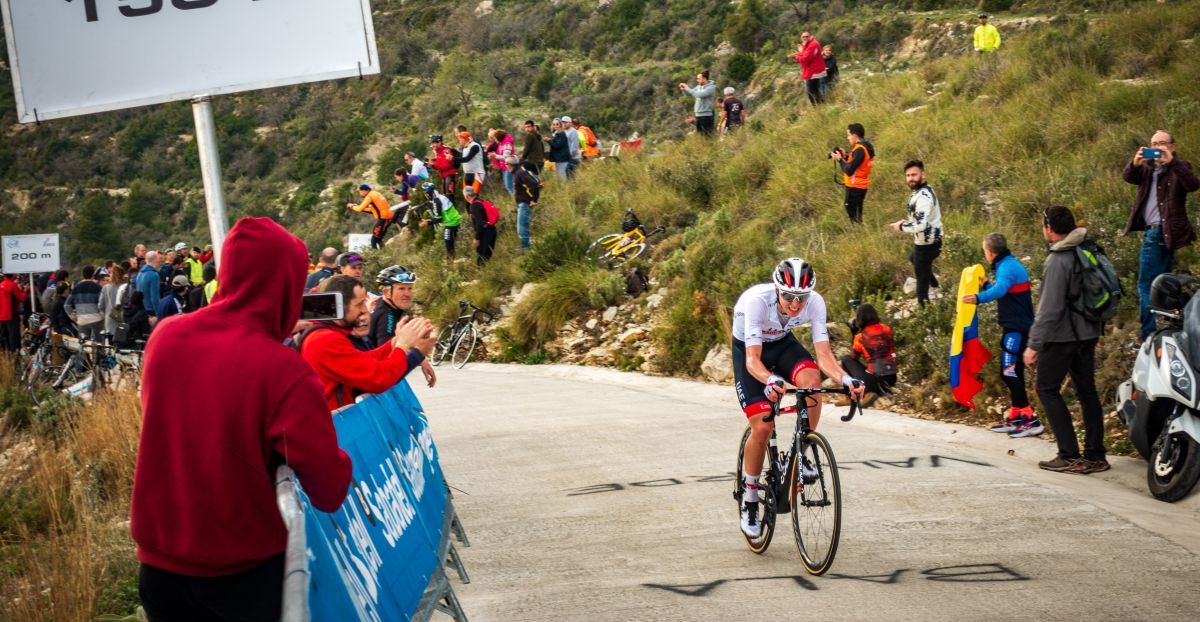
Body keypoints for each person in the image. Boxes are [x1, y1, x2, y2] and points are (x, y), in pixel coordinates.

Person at [131, 217, 352, 621]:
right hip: (243, 575)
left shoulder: (166, 336)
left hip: (159, 569)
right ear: (286, 286)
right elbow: (329, 488)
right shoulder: (285, 370)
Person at [732, 258, 865, 538]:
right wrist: (770, 379)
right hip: (750, 349)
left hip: (781, 343)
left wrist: (846, 379)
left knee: (812, 383)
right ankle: (751, 498)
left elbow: (824, 356)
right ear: (777, 289)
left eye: (801, 297)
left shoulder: (815, 303)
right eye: (790, 296)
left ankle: (802, 449)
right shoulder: (757, 302)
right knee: (764, 426)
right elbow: (753, 361)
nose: (795, 304)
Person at [1023, 206, 1108, 474]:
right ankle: (1095, 455)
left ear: (1049, 228)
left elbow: (1049, 310)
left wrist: (1033, 345)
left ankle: (1069, 454)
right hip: (1089, 333)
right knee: (1087, 392)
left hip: (1063, 338)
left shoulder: (1058, 260)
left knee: (1046, 389)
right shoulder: (1087, 248)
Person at [300, 274, 437, 409]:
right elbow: (380, 378)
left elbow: (364, 360)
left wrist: (396, 341)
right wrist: (408, 348)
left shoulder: (323, 334)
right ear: (338, 306)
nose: (365, 310)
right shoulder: (325, 340)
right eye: (360, 304)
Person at [961, 233, 1042, 438]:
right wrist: (987, 284)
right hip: (1016, 326)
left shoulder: (1006, 266)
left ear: (989, 252)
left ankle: (1029, 419)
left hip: (1016, 329)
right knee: (1011, 372)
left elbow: (1002, 289)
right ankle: (1017, 415)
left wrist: (978, 298)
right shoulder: (1008, 264)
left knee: (1009, 372)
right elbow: (1004, 291)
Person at [1122, 130, 1199, 343]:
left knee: (1147, 284)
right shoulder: (1147, 169)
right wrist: (1135, 162)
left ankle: (1147, 333)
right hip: (1158, 233)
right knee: (1161, 283)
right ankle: (1166, 325)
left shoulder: (1181, 167)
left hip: (1164, 234)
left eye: (1162, 143)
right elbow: (1128, 177)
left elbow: (1193, 185)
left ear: (1172, 146)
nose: (1156, 147)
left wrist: (1172, 162)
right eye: (1153, 143)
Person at [369, 266, 437, 387]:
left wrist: (422, 361)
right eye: (401, 288)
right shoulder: (387, 316)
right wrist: (418, 354)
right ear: (386, 292)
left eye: (410, 288)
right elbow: (388, 355)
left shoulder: (388, 308)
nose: (407, 294)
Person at [890, 160, 943, 306]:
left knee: (921, 291)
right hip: (932, 241)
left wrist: (901, 226)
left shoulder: (923, 197)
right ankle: (934, 284)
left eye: (914, 175)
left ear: (923, 175)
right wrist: (906, 223)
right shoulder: (922, 191)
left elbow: (920, 225)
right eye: (908, 175)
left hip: (926, 244)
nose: (910, 178)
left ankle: (926, 315)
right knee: (913, 258)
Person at [839, 303, 896, 405]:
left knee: (846, 359)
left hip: (874, 381)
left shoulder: (860, 336)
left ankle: (851, 396)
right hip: (891, 379)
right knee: (874, 365)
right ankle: (876, 392)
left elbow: (854, 357)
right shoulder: (887, 329)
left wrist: (854, 333)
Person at [831, 123, 875, 223]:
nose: (848, 138)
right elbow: (858, 163)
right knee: (857, 213)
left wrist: (839, 160)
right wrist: (845, 156)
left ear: (854, 135)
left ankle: (857, 230)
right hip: (861, 185)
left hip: (854, 186)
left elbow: (849, 170)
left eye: (848, 135)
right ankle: (859, 230)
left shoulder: (860, 149)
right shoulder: (866, 146)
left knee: (852, 212)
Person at [419, 181, 462, 257]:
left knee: (448, 242)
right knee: (450, 241)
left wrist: (427, 222)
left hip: (451, 222)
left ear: (429, 193)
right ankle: (453, 258)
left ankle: (451, 261)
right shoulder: (439, 197)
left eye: (425, 192)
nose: (425, 194)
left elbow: (438, 219)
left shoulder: (436, 201)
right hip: (455, 219)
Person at [346, 184, 393, 250]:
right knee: (379, 239)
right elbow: (372, 210)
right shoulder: (376, 194)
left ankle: (376, 258)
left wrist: (352, 206)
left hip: (383, 219)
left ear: (365, 191)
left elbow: (359, 209)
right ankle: (384, 254)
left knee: (373, 241)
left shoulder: (369, 196)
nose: (360, 193)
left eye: (360, 191)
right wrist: (359, 207)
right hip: (387, 218)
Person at [66, 265, 105, 342]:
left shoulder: (76, 288)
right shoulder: (98, 287)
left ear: (83, 274)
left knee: (84, 345)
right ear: (93, 275)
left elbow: (66, 305)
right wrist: (102, 315)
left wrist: (74, 317)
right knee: (99, 344)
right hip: (96, 319)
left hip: (82, 320)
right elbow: (102, 303)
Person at [512, 156, 541, 250]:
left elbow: (534, 184)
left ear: (511, 165)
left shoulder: (519, 173)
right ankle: (528, 249)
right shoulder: (519, 172)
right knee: (523, 229)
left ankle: (525, 251)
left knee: (522, 230)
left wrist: (534, 200)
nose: (505, 166)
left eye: (506, 164)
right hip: (523, 204)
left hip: (524, 204)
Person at [790, 32, 827, 105]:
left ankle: (816, 107)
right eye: (803, 37)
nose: (804, 38)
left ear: (810, 36)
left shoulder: (812, 45)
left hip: (813, 72)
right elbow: (806, 54)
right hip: (814, 71)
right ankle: (821, 105)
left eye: (806, 36)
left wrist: (796, 57)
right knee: (816, 90)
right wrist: (800, 51)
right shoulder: (809, 44)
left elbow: (805, 59)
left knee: (810, 92)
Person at [464, 187, 498, 265]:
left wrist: (477, 238)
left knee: (481, 259)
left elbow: (479, 223)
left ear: (466, 196)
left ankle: (482, 274)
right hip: (492, 230)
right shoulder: (481, 201)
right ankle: (486, 274)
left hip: (485, 233)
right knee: (486, 257)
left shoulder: (474, 206)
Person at [678, 71, 716, 136]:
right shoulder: (698, 87)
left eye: (699, 79)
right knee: (700, 135)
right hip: (698, 115)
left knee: (708, 136)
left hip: (706, 116)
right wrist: (684, 89)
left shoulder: (711, 87)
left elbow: (699, 95)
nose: (697, 80)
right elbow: (691, 93)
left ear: (704, 78)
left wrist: (687, 88)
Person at [0, 273, 28, 351]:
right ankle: (15, 357)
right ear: (13, 275)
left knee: (4, 338)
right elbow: (21, 298)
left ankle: (6, 355)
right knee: (14, 338)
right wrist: (25, 290)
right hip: (11, 315)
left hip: (1, 316)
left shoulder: (1, 285)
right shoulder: (12, 285)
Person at [429, 135, 460, 200]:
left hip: (450, 176)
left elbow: (446, 165)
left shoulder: (446, 150)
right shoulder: (438, 153)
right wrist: (432, 165)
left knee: (450, 198)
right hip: (444, 177)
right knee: (445, 199)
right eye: (431, 144)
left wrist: (435, 166)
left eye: (433, 143)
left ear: (439, 142)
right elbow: (437, 166)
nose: (432, 145)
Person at [99, 266, 125, 337]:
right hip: (124, 320)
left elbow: (100, 306)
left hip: (110, 321)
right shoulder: (126, 287)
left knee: (111, 345)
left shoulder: (105, 288)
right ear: (122, 275)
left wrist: (108, 313)